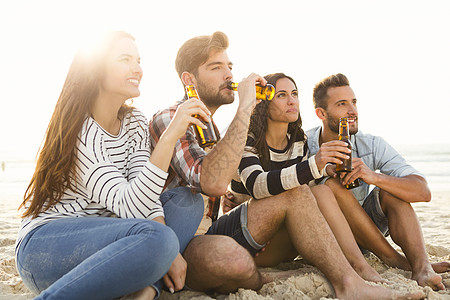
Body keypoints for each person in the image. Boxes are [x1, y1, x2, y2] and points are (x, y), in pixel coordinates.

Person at [149, 32, 423, 300]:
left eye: (230, 66)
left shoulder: (214, 125)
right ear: (189, 79)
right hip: (176, 241)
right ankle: (329, 277)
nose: (229, 75)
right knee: (240, 253)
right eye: (216, 67)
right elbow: (216, 183)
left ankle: (358, 275)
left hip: (210, 235)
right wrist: (246, 106)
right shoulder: (172, 118)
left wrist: (326, 172)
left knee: (320, 189)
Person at [15, 30, 206, 300]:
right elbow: (129, 205)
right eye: (125, 59)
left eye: (138, 60)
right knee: (160, 239)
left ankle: (142, 290)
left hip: (110, 244)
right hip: (47, 250)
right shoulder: (81, 130)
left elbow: (145, 198)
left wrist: (168, 250)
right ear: (96, 69)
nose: (137, 68)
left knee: (187, 202)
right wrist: (170, 136)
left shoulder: (135, 122)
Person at [225, 72, 385, 283]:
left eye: (294, 93)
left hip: (285, 241)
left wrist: (325, 171)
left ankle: (360, 264)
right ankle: (362, 264)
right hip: (253, 244)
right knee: (318, 188)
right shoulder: (248, 138)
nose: (292, 100)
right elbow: (257, 185)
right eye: (281, 95)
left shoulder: (298, 140)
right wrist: (314, 165)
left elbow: (303, 194)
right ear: (262, 102)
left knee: (326, 187)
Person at [306, 73, 450, 291]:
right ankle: (397, 260)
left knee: (393, 190)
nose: (352, 111)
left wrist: (373, 176)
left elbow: (423, 191)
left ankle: (422, 268)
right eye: (342, 104)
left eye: (354, 102)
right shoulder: (303, 144)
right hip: (327, 237)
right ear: (321, 113)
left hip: (366, 236)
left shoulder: (371, 144)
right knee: (330, 185)